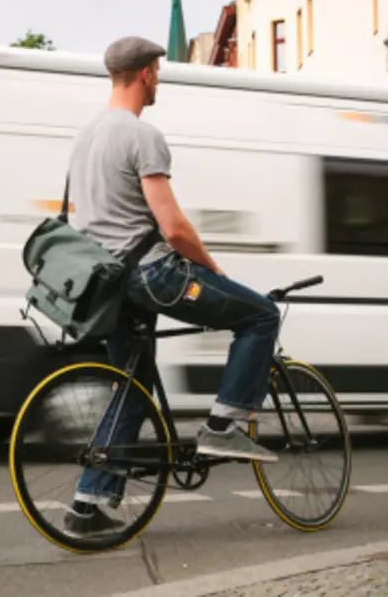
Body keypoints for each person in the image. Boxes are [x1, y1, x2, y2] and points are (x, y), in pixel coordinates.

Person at [63, 35, 282, 535]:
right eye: (157, 71)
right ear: (145, 74)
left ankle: (86, 504)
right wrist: (214, 270)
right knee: (260, 315)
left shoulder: (86, 136)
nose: (159, 79)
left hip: (110, 284)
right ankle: (223, 427)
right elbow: (175, 229)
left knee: (132, 388)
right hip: (153, 275)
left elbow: (88, 217)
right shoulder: (142, 136)